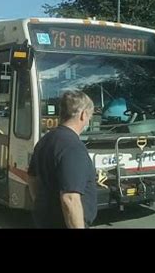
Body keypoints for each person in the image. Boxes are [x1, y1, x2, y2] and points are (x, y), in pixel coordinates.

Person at [27, 90, 97, 228]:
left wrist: (42, 205)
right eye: (90, 116)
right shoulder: (73, 148)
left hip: (45, 220)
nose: (89, 120)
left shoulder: (46, 139)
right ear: (83, 114)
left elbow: (32, 178)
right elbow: (70, 198)